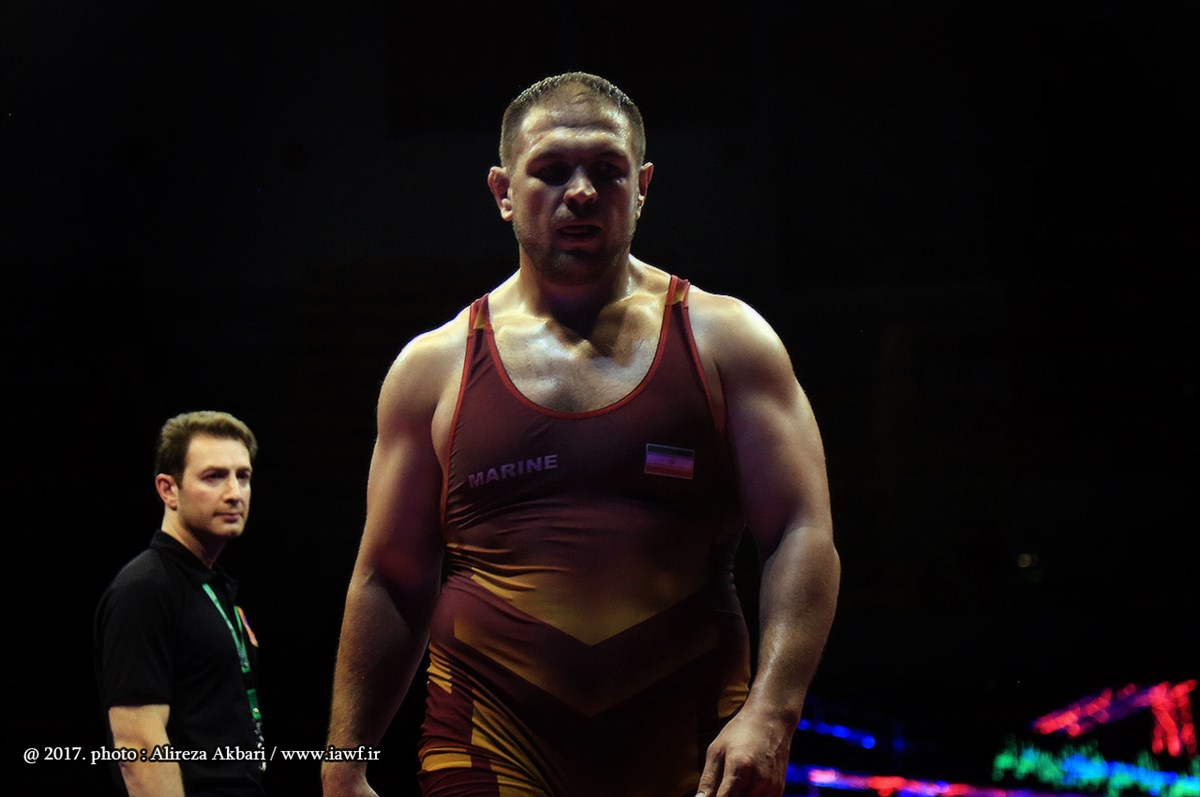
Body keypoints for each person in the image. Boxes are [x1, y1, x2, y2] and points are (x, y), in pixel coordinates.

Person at [322, 71, 839, 797]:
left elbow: (801, 532)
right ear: (503, 190)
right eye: (552, 170)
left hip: (688, 744)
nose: (583, 191)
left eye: (607, 170)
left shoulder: (729, 341)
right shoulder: (432, 368)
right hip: (489, 741)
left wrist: (774, 711)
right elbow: (390, 577)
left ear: (643, 185)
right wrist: (344, 759)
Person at [94, 410, 266, 796]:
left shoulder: (211, 586)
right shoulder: (144, 590)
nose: (234, 493)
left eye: (243, 476)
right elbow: (138, 747)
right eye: (214, 476)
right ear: (168, 490)